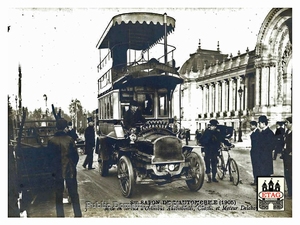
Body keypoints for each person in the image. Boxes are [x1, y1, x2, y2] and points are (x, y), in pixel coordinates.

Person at [48, 118, 82, 217]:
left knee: (58, 195)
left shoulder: (51, 141)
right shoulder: (70, 140)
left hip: (57, 170)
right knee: (74, 194)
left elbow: (48, 157)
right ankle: (78, 215)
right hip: (69, 170)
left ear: (57, 127)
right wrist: (72, 165)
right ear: (65, 128)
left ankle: (60, 217)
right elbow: (75, 156)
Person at [283, 116, 292, 198]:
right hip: (286, 154)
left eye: (287, 122)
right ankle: (289, 191)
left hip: (291, 156)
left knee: (291, 174)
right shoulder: (287, 132)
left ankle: (292, 193)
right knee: (287, 173)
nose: (285, 124)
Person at [249, 120, 260, 185]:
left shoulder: (257, 132)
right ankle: (255, 180)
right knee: (254, 167)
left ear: (255, 126)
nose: (250, 127)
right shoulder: (254, 132)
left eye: (251, 126)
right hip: (254, 152)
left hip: (256, 153)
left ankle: (256, 181)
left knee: (256, 167)